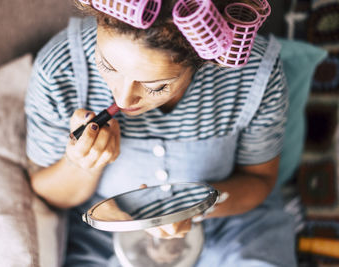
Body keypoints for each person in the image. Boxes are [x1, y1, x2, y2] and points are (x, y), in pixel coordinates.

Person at [25, 0, 297, 266]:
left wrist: (195, 207)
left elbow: (259, 180)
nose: (122, 98)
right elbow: (51, 196)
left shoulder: (254, 72)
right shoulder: (60, 69)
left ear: (200, 63)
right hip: (105, 237)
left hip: (230, 228)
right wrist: (81, 164)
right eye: (107, 66)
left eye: (155, 87)